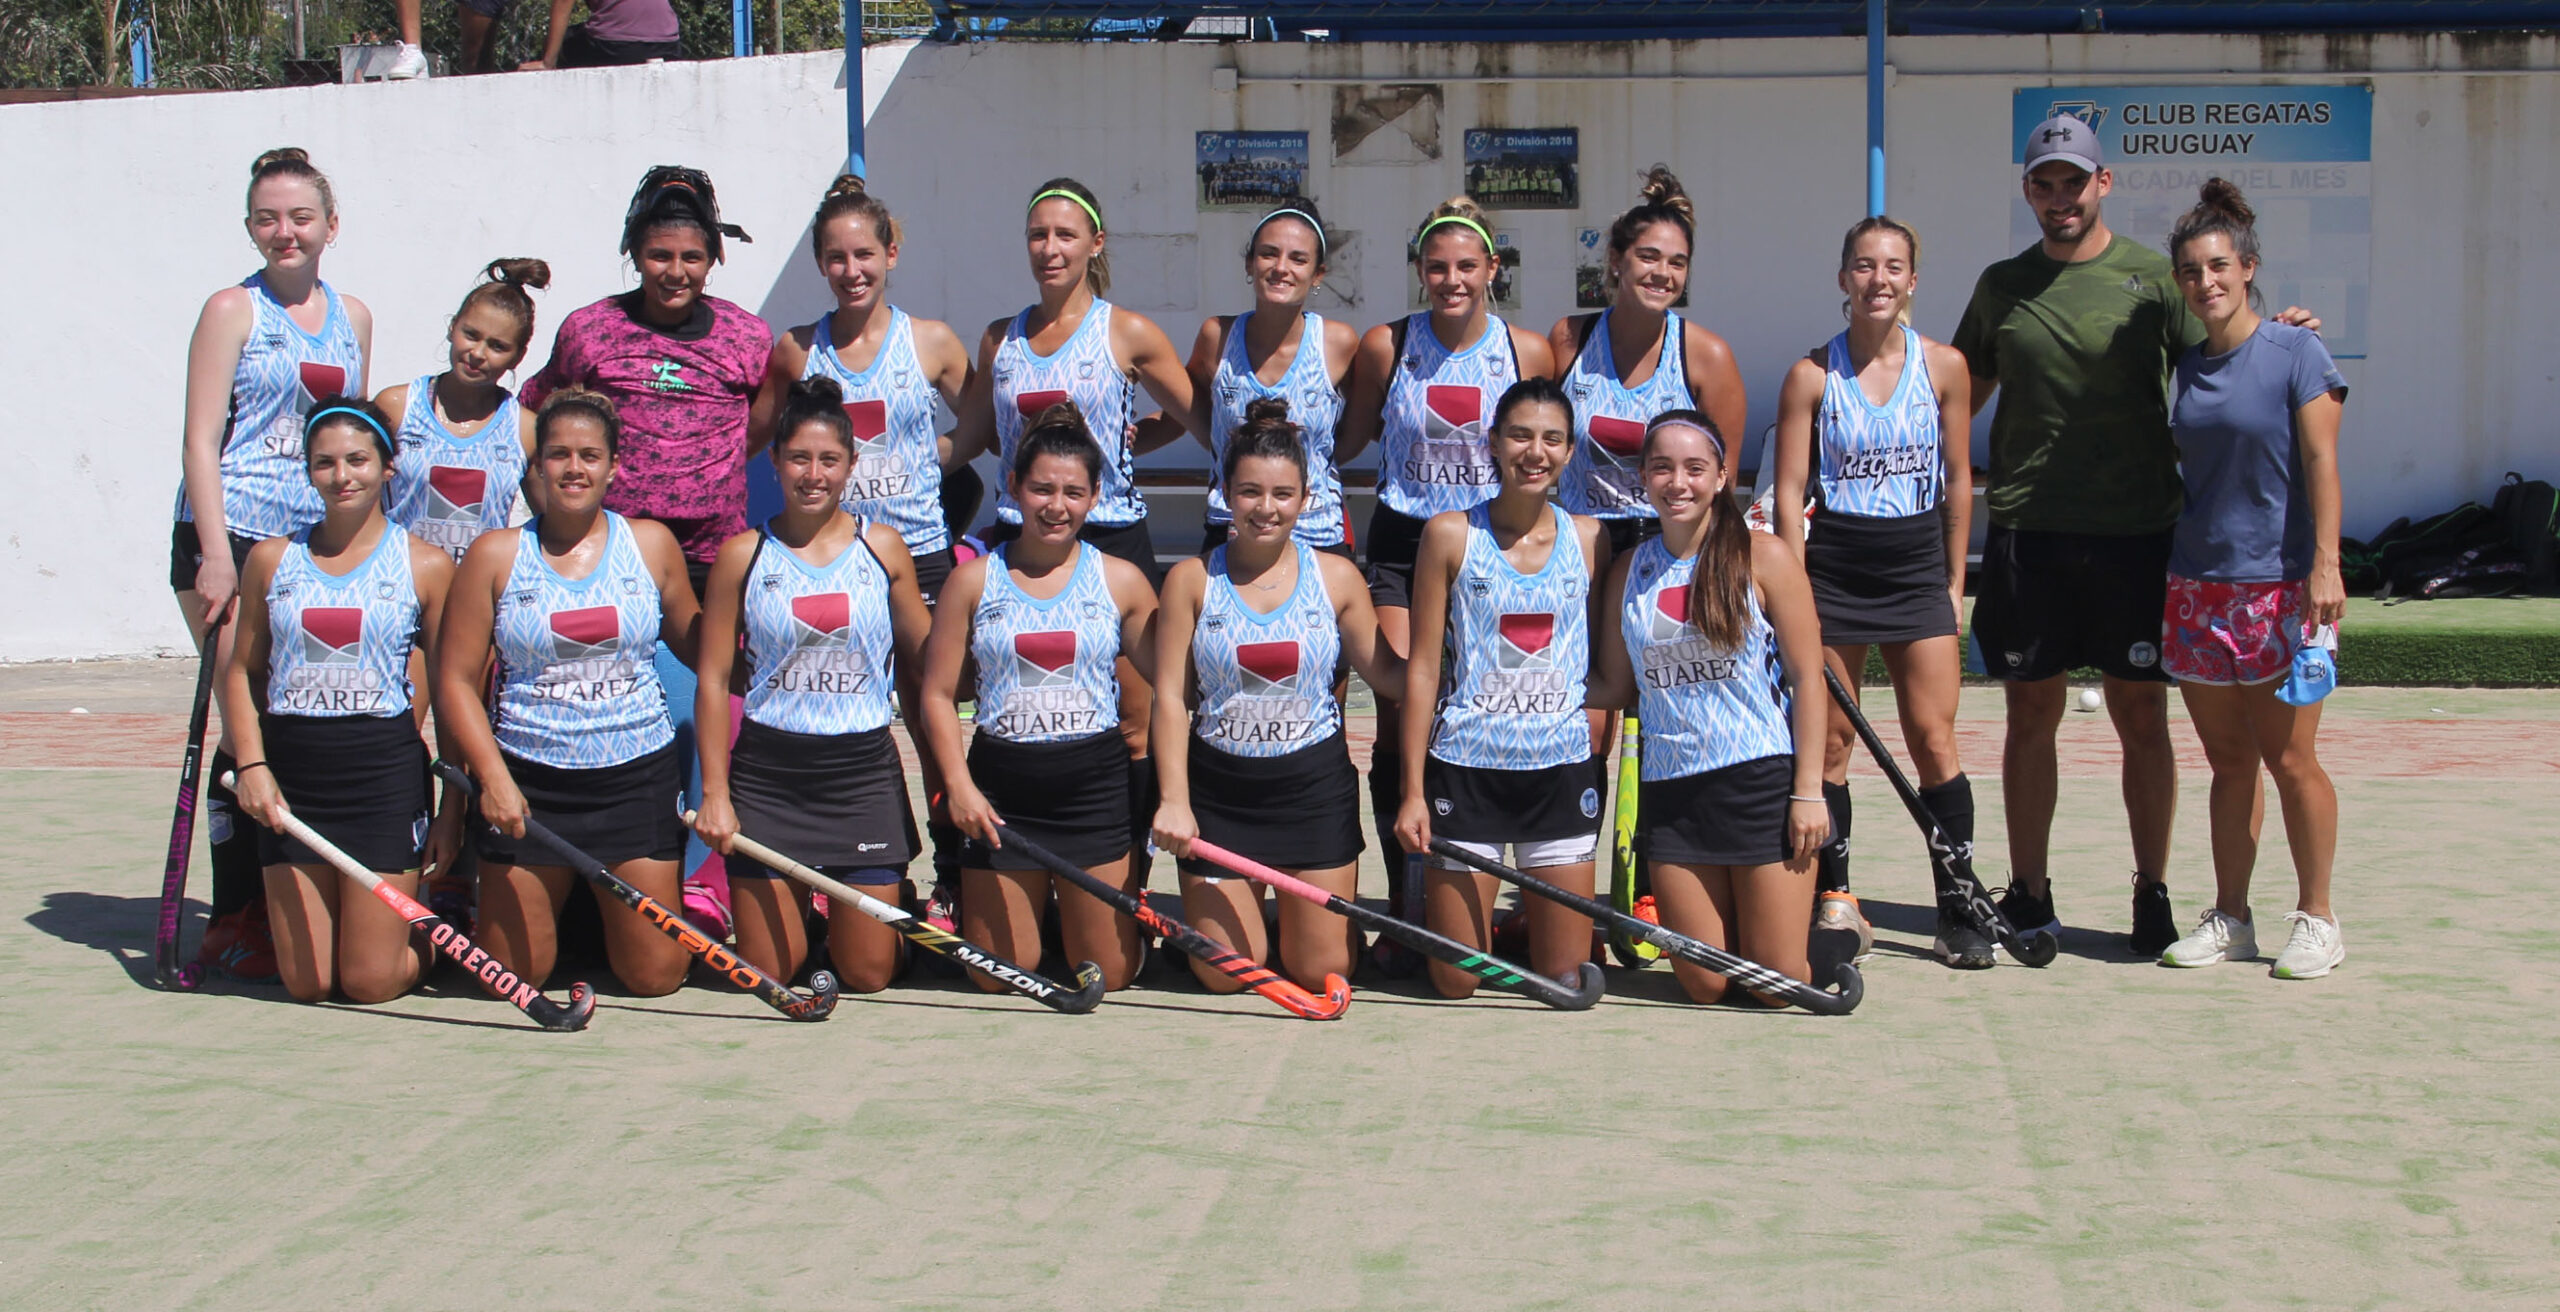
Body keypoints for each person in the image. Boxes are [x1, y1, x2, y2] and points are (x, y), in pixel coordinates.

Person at [1952, 113, 2318, 957]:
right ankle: (2030, 891)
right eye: (2045, 183)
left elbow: (2229, 351)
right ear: (2028, 191)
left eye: (2074, 181)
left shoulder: (2155, 281)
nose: (2060, 197)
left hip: (2138, 536)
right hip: (2029, 534)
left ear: (2103, 184)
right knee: (2030, 716)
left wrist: (2287, 341)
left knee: (2142, 716)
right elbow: (1955, 393)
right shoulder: (2001, 286)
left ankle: (2152, 891)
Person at [175, 147, 374, 983]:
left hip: (307, 547)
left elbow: (354, 438)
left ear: (331, 225)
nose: (284, 232)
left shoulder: (353, 316)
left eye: (300, 217)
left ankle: (289, 895)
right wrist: (215, 555)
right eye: (267, 218)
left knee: (292, 721)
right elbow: (200, 440)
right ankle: (233, 916)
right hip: (230, 539)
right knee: (245, 722)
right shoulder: (232, 309)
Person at [434, 389, 703, 997]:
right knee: (514, 978)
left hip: (635, 780)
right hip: (531, 786)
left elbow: (701, 647)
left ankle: (588, 924)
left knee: (655, 977)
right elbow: (453, 680)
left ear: (614, 466)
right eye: (558, 454)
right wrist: (493, 780)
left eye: (590, 455)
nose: (574, 468)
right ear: (536, 466)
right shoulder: (495, 554)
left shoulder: (651, 544)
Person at [2153, 180, 2350, 980]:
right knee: (2230, 764)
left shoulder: (2298, 352)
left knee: (2291, 761)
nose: (2206, 281)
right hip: (2197, 588)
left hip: (2281, 589)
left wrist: (2326, 565)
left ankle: (2319, 919)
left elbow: (2322, 461)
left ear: (2247, 268)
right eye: (2191, 271)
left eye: (2218, 266)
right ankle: (2231, 917)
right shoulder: (2185, 365)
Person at [1772, 216, 1978, 968]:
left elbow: (1959, 479)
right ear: (1843, 278)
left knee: (1933, 740)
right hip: (1835, 569)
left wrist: (1953, 581)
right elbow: (1789, 491)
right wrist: (1793, 593)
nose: (1878, 279)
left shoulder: (1944, 367)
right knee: (1830, 744)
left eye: (1893, 267)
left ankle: (1958, 907)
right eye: (1864, 265)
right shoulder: (1811, 375)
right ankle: (1837, 902)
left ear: (1912, 280)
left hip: (1916, 565)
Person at [1339, 197, 1557, 908]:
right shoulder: (1387, 345)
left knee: (1487, 708)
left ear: (1493, 268)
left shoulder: (1527, 351)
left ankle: (1508, 889)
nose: (1452, 280)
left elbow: (1546, 450)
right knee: (1403, 705)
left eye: (1467, 266)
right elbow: (1348, 438)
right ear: (1419, 270)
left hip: (1489, 544)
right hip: (1404, 543)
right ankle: (1411, 900)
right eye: (1437, 267)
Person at [1150, 399, 1405, 993]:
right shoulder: (1191, 580)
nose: (1266, 508)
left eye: (1282, 494)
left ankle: (1297, 924)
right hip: (1220, 793)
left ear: (1306, 499)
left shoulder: (1336, 576)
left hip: (1311, 792)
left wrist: (1459, 656)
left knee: (1320, 972)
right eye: (1249, 492)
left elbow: (1392, 678)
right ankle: (1249, 922)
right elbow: (1169, 698)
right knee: (1226, 976)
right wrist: (1174, 801)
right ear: (1225, 494)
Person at [692, 378, 936, 992]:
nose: (813, 474)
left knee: (867, 974)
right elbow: (714, 679)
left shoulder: (883, 547)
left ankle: (884, 913)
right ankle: (813, 918)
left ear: (851, 464)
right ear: (774, 461)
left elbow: (931, 658)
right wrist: (716, 794)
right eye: (799, 458)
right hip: (770, 778)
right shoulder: (741, 555)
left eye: (829, 459)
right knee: (769, 973)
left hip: (861, 776)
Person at [1586, 410, 1831, 1002]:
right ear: (1643, 477)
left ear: (1722, 477)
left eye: (1695, 469)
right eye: (1662, 468)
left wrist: (1808, 791)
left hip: (1759, 785)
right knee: (1704, 984)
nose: (1679, 483)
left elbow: (1807, 678)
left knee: (1775, 987)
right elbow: (1614, 686)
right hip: (1673, 793)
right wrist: (1526, 690)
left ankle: (1834, 941)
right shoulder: (1628, 571)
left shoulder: (1764, 556)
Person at [919, 406, 1160, 992]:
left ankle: (1073, 916)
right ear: (1013, 487)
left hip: (1093, 791)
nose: (1057, 506)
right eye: (1042, 489)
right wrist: (960, 787)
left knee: (1108, 975)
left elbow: (1173, 686)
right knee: (999, 977)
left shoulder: (1122, 580)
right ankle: (1030, 912)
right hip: (1003, 791)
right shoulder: (972, 580)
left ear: (1096, 495)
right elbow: (937, 695)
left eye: (1074, 492)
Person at [219, 398, 451, 1004]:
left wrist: (453, 804)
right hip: (293, 779)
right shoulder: (271, 560)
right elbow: (241, 672)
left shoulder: (426, 565)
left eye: (357, 460)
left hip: (382, 779)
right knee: (310, 984)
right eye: (324, 463)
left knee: (370, 982)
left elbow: (453, 689)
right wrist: (252, 764)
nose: (341, 475)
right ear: (308, 471)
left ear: (388, 466)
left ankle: (427, 940)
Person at [1392, 379, 1605, 997]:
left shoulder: (1590, 538)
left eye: (1552, 439)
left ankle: (1519, 925)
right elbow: (1424, 670)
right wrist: (1412, 792)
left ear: (1570, 451)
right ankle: (1497, 927)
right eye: (1519, 435)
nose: (1535, 452)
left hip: (1558, 776)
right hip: (1467, 772)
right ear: (1492, 442)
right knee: (1457, 982)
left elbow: (1597, 668)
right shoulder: (1449, 534)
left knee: (1566, 978)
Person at [520, 164, 767, 598]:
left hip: (713, 554)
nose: (676, 272)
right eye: (660, 256)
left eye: (692, 257)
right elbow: (529, 414)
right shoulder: (590, 330)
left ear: (713, 259)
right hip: (612, 549)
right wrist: (552, 515)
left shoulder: (746, 336)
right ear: (634, 255)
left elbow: (766, 420)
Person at [949, 177, 1199, 582]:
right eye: (1038, 235)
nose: (1050, 249)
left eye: (1065, 235)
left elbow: (1193, 418)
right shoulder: (1000, 339)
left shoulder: (1127, 332)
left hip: (1109, 535)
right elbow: (976, 438)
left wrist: (1122, 445)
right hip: (1022, 536)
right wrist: (901, 463)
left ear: (1096, 243)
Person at [756, 175, 972, 603]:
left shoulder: (932, 342)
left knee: (926, 652)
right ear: (820, 263)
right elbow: (750, 437)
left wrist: (929, 459)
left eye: (864, 254)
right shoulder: (797, 350)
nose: (852, 271)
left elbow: (987, 427)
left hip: (919, 551)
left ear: (891, 254)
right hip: (829, 555)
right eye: (837, 258)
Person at [1546, 166, 1747, 555]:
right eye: (1648, 257)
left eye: (1677, 262)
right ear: (1616, 260)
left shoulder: (1708, 356)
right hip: (1579, 544)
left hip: (1669, 545)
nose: (1662, 274)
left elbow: (1725, 480)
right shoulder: (1569, 340)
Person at [1149, 198, 1359, 557]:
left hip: (1316, 533)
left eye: (1298, 259)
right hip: (1230, 529)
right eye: (1268, 254)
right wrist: (1117, 441)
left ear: (1318, 274)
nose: (1281, 268)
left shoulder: (1338, 343)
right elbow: (1185, 417)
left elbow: (1356, 434)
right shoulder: (1217, 337)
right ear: (1250, 263)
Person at [377, 259, 547, 564]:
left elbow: (552, 523)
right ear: (452, 327)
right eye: (471, 334)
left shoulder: (525, 429)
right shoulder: (397, 407)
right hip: (398, 581)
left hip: (478, 588)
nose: (478, 354)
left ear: (518, 356)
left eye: (497, 346)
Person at [524, 0, 682, 70]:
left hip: (617, 46)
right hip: (668, 45)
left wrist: (548, 62)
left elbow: (563, 2)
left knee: (562, 43)